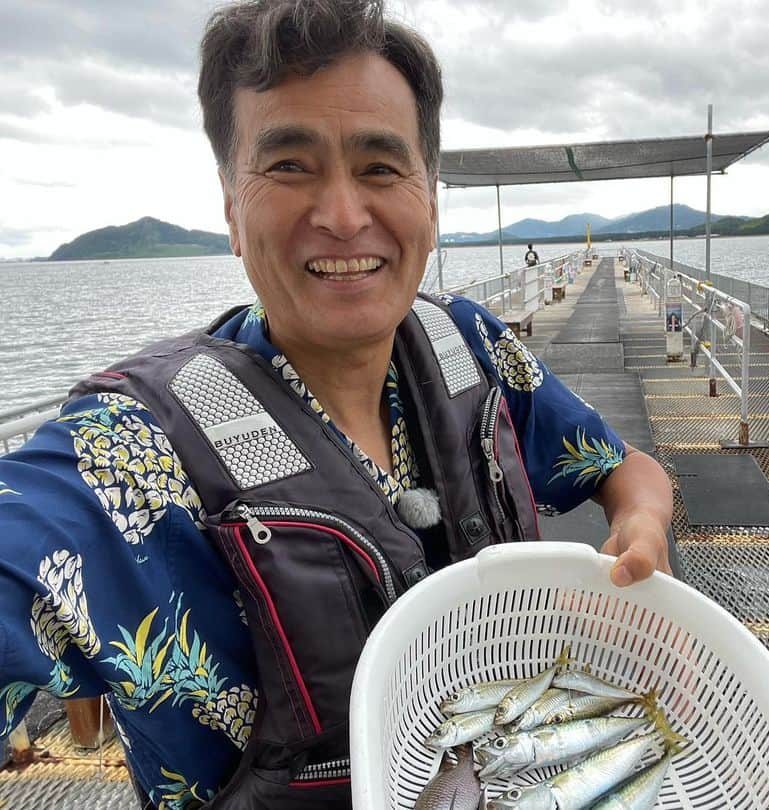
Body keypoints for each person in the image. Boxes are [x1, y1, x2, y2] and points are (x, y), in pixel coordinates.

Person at [0, 1, 673, 806]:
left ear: (430, 197)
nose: (344, 215)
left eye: (381, 168)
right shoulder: (126, 453)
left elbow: (625, 469)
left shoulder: (471, 344)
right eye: (289, 166)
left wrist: (642, 524)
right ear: (230, 206)